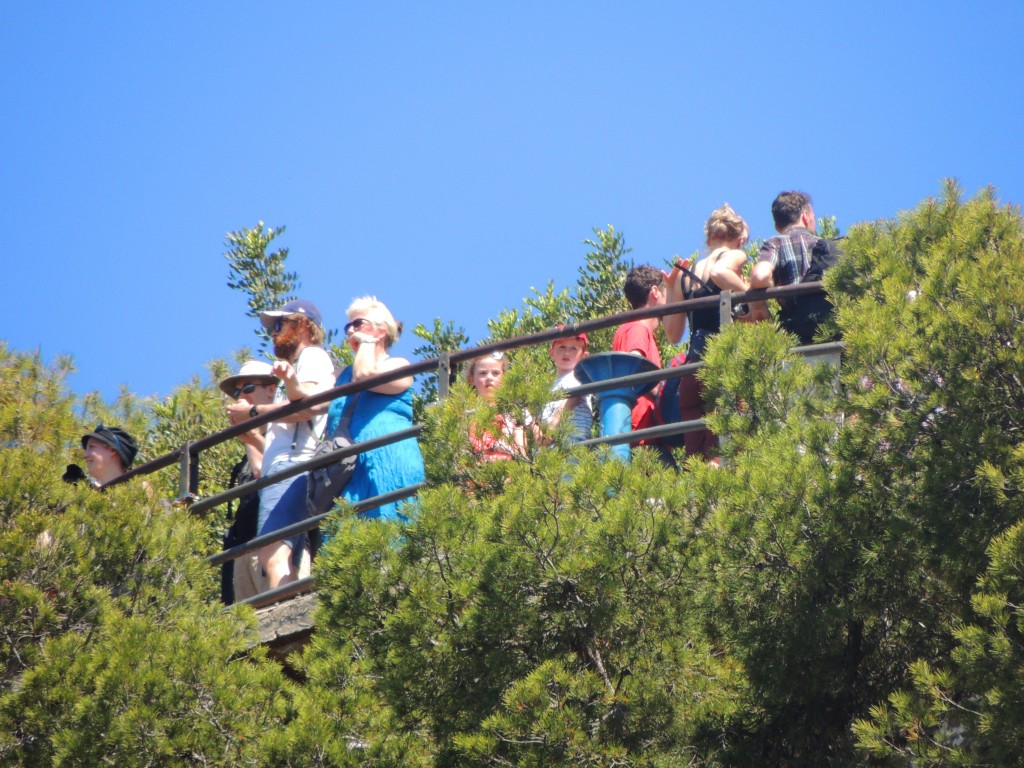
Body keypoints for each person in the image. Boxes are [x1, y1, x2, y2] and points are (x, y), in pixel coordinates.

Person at [226, 299, 334, 590]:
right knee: (285, 555)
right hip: (289, 465)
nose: (273, 333)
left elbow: (308, 406)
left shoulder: (311, 356)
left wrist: (251, 413)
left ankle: (281, 615)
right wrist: (251, 434)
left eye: (279, 324)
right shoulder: (301, 363)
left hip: (292, 465)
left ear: (301, 325)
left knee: (273, 554)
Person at [670, 204, 752, 461]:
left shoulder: (685, 274)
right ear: (740, 238)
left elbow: (673, 334)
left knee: (696, 457)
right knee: (725, 451)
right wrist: (750, 298)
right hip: (722, 364)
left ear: (708, 239)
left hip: (692, 369)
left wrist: (670, 289)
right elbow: (719, 273)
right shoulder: (734, 255)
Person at [218, 360, 280, 603]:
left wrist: (250, 433)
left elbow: (262, 471)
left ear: (271, 390)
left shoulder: (288, 428)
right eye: (237, 392)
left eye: (248, 388)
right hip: (245, 547)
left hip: (274, 545)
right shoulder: (252, 439)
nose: (241, 396)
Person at [612, 265, 674, 465]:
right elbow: (635, 367)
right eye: (667, 293)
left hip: (641, 436)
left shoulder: (628, 328)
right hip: (645, 439)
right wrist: (667, 400)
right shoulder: (638, 328)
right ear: (655, 292)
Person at [748, 190, 820, 321]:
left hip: (797, 328)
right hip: (831, 325)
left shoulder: (776, 243)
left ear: (777, 227)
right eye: (814, 218)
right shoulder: (825, 245)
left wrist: (758, 305)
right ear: (805, 216)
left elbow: (759, 276)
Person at [466, 351, 525, 461]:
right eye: (483, 373)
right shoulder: (466, 414)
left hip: (505, 470)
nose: (489, 377)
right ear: (472, 379)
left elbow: (520, 450)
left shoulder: (511, 410)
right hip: (474, 473)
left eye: (495, 373)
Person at [540, 329, 593, 444]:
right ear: (551, 352)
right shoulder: (552, 386)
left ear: (584, 356)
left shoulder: (579, 375)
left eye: (573, 348)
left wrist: (552, 426)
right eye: (562, 347)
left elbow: (573, 398)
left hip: (573, 437)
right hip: (553, 441)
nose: (567, 352)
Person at [63, 425, 139, 488]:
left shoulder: (138, 488)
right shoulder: (80, 497)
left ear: (112, 450)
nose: (85, 455)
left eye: (91, 447)